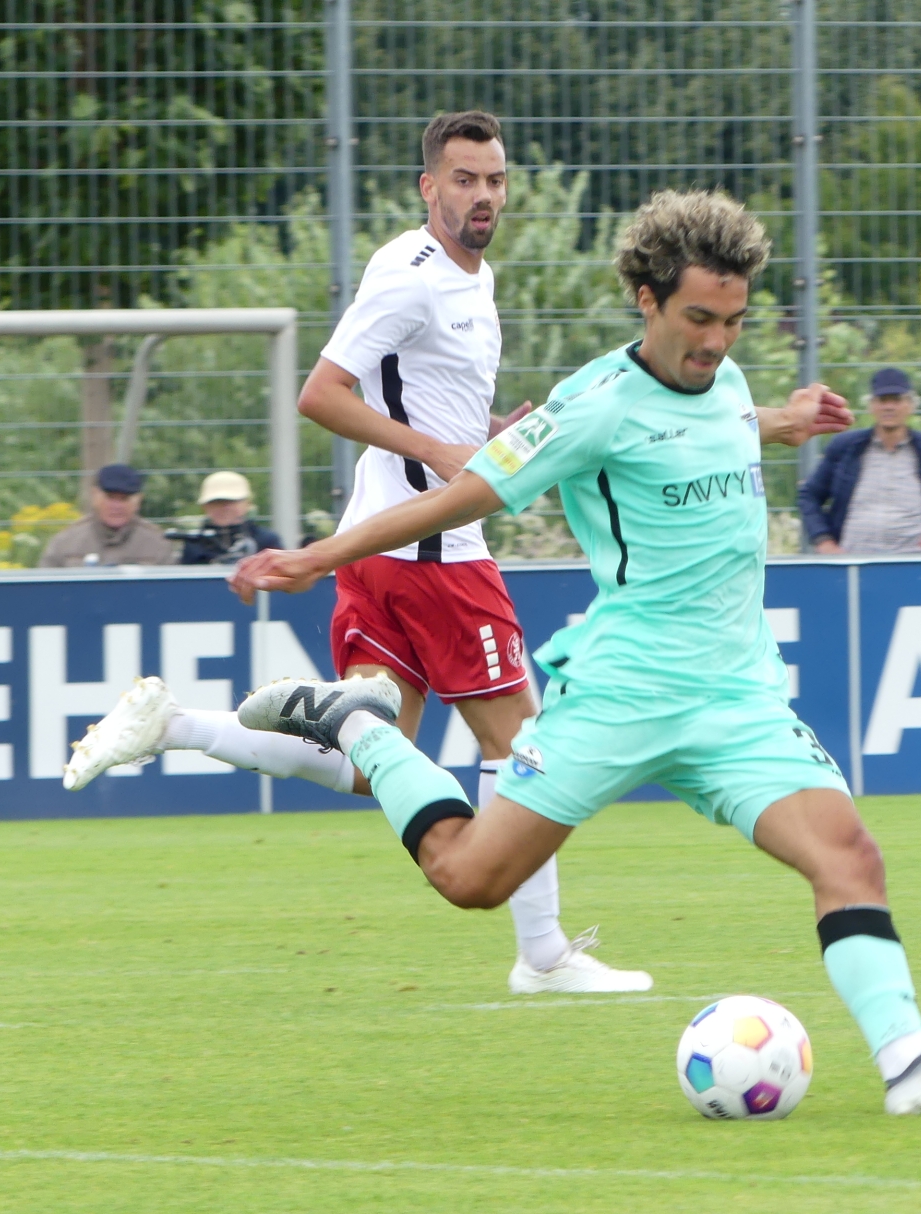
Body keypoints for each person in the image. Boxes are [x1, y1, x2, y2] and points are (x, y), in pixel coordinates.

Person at [221, 190, 921, 1116]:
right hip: (621, 694)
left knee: (849, 856)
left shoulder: (724, 383)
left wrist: (786, 417)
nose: (715, 342)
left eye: (733, 321)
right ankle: (361, 733)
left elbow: (722, 421)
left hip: (737, 699)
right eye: (698, 319)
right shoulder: (593, 405)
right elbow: (462, 496)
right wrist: (319, 557)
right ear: (647, 300)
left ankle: (912, 1064)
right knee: (470, 879)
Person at [67, 110, 648, 997]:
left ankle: (173, 726)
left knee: (365, 762)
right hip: (432, 551)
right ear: (428, 186)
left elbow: (426, 403)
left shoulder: (472, 278)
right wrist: (440, 451)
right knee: (523, 742)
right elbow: (322, 394)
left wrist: (490, 432)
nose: (483, 195)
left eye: (495, 180)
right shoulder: (409, 276)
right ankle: (542, 957)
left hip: (383, 547)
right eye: (464, 179)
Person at [798, 367, 921, 555]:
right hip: (854, 560)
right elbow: (809, 495)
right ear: (871, 406)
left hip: (917, 559)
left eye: (896, 400)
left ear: (911, 405)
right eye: (882, 400)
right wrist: (824, 541)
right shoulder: (845, 447)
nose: (889, 407)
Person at [39, 463, 178, 568]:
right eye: (110, 497)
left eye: (124, 499)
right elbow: (45, 590)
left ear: (138, 501)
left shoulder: (158, 545)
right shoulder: (65, 543)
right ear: (94, 496)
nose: (116, 506)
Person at [169, 471, 283, 565]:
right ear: (205, 507)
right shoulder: (194, 544)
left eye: (232, 502)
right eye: (217, 502)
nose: (225, 508)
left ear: (247, 504)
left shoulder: (266, 540)